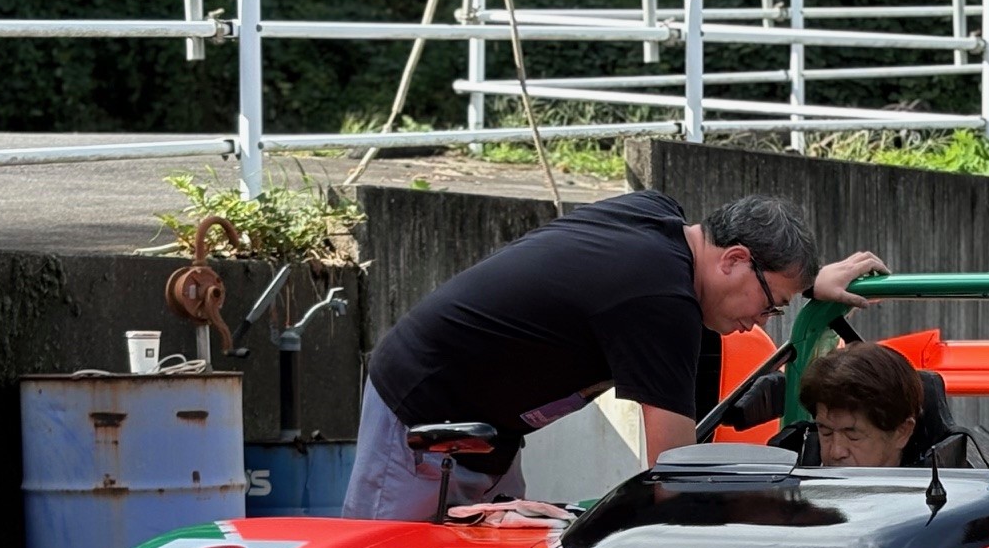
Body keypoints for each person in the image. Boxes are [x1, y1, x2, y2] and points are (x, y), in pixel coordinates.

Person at [344, 190, 885, 519]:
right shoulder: (659, 300)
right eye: (771, 305)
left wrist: (807, 284)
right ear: (734, 260)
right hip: (423, 417)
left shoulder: (657, 220)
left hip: (492, 431)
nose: (761, 321)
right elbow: (674, 473)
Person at [798, 342, 924, 467]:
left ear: (902, 432)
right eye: (826, 432)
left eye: (853, 435)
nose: (836, 452)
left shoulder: (933, 477)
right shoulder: (795, 457)